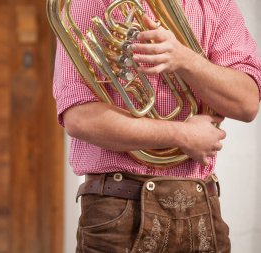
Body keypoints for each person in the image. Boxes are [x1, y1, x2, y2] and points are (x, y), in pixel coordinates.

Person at [52, 0, 261, 252]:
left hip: (202, 205)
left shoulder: (217, 4)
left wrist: (185, 59)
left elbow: (247, 103)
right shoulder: (89, 3)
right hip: (118, 207)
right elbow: (80, 117)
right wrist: (181, 134)